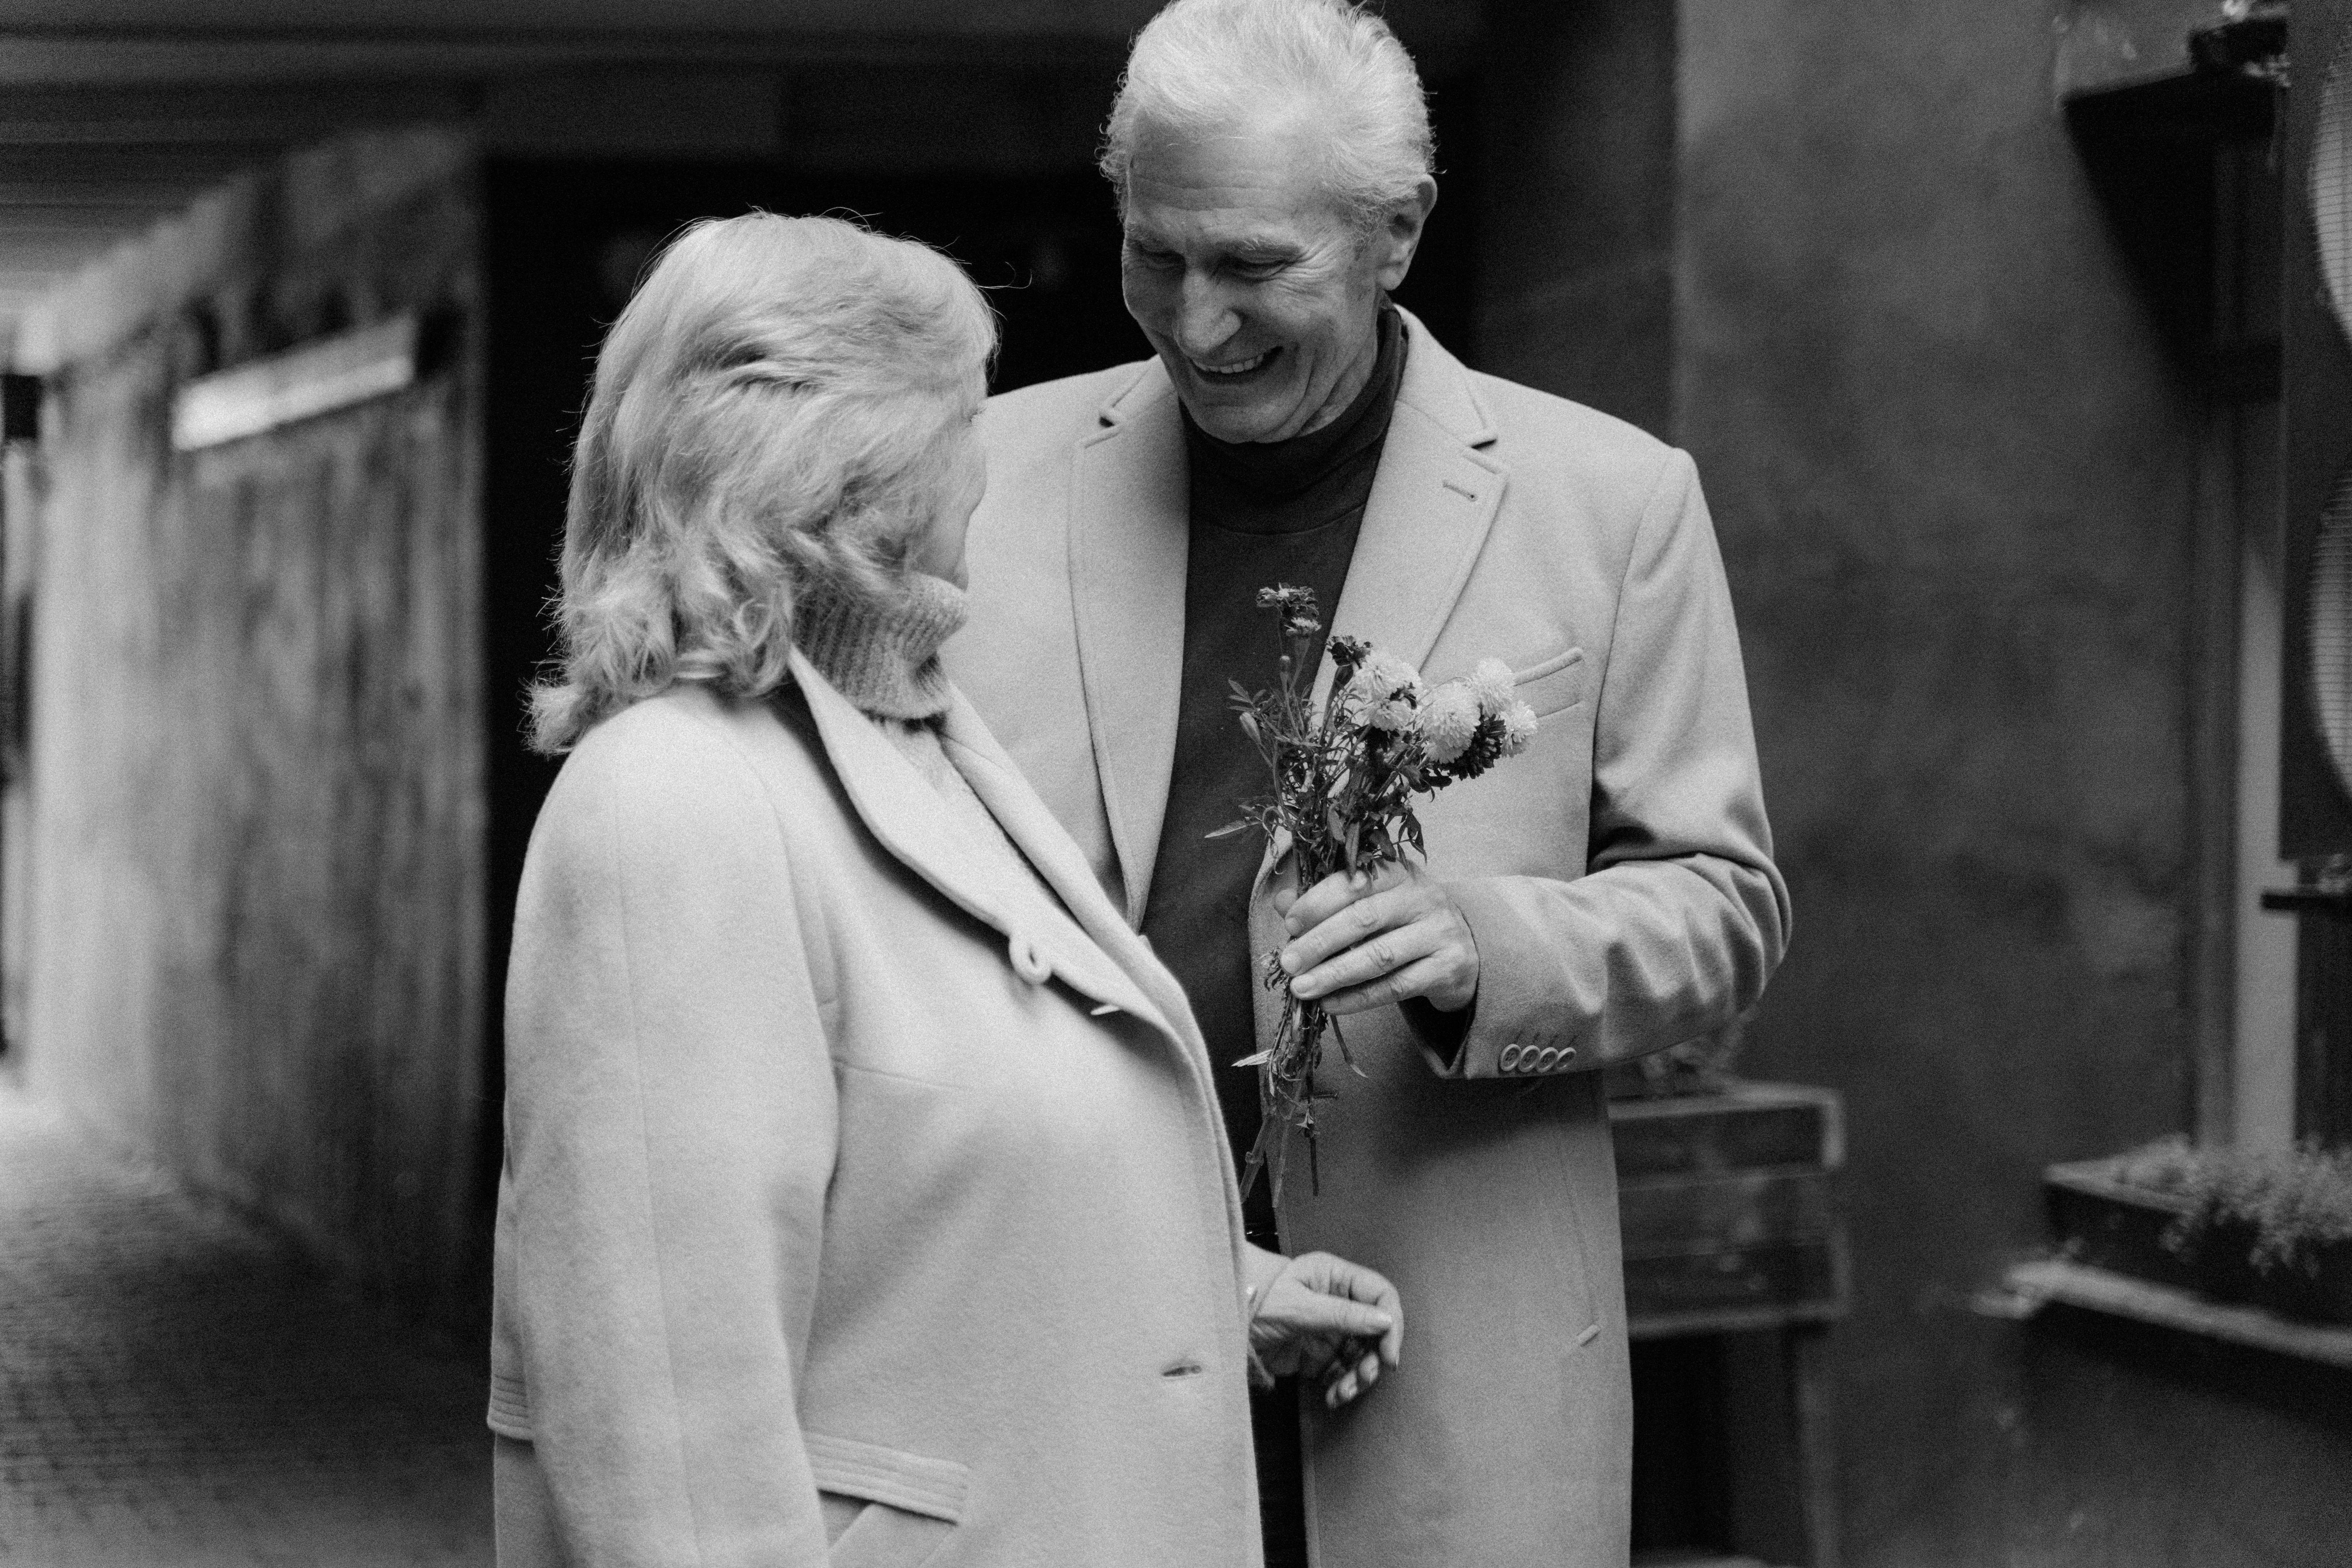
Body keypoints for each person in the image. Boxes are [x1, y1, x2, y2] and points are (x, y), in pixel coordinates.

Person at [946, 3, 1792, 1564]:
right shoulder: (976, 478)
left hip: (1452, 1382)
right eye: (1157, 255)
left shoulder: (1614, 506)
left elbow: (1724, 912)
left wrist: (1497, 949)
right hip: (1066, 1359)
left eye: (1256, 267)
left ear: (1396, 233)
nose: (1195, 325)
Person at [484, 211, 1405, 1568]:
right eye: (964, 420)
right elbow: (670, 1448)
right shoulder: (670, 804)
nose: (989, 473)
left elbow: (925, 1203)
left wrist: (1226, 1292)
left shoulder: (918, 742)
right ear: (859, 463)